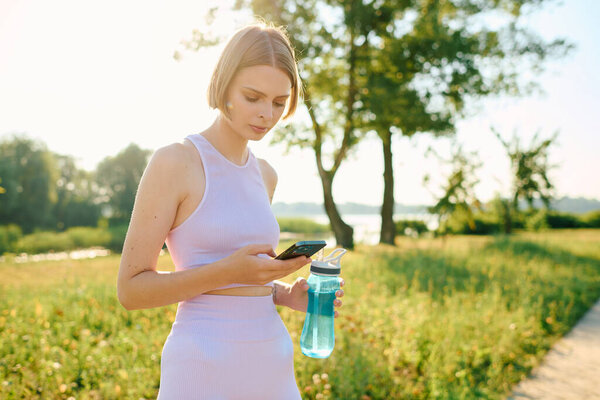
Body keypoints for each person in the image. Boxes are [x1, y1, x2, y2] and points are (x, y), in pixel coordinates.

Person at [116, 22, 345, 399]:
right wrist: (229, 270)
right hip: (202, 361)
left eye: (278, 102)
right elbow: (131, 291)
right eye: (253, 97)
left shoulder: (266, 175)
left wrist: (288, 295)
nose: (266, 115)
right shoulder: (176, 162)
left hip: (271, 359)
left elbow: (250, 281)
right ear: (224, 86)